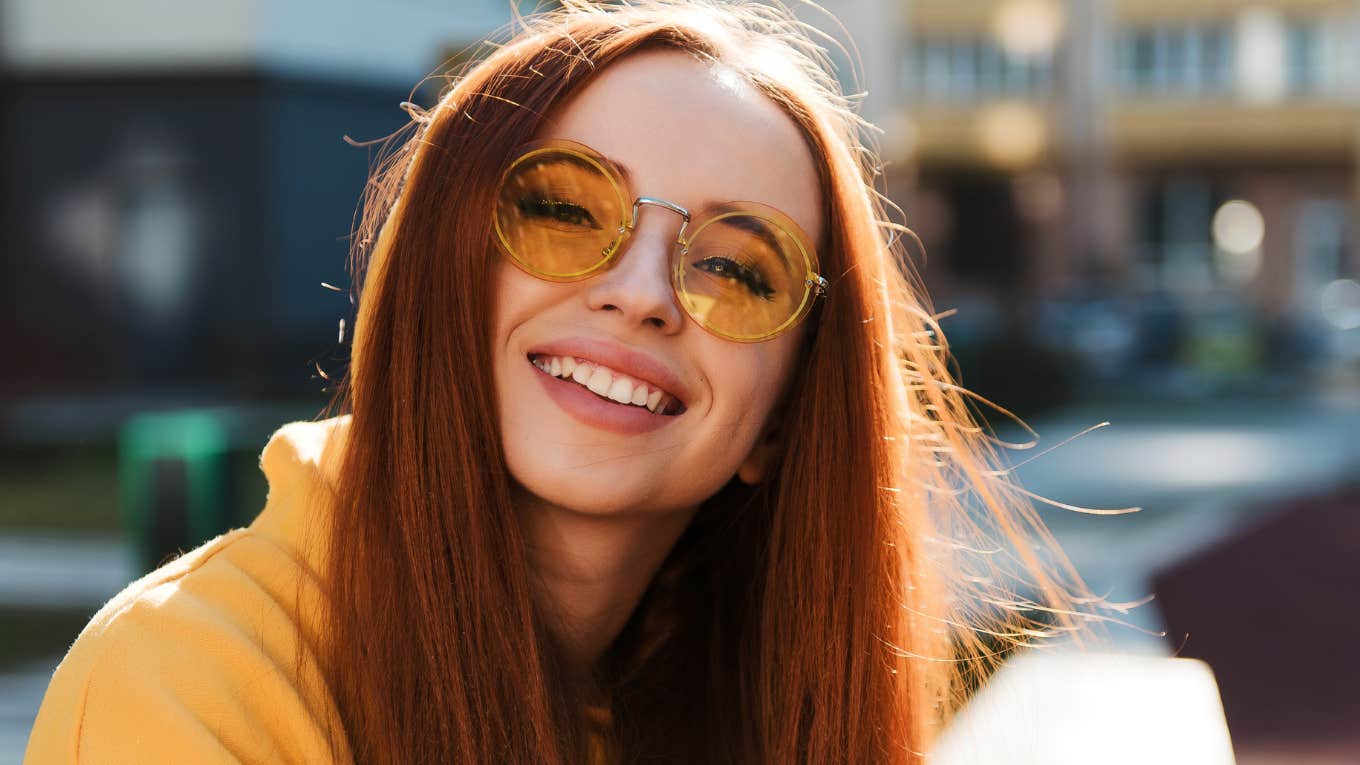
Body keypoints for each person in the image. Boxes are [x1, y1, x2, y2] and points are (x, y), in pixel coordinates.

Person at [25, 1, 1102, 762]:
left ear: (783, 417)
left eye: (736, 269)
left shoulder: (764, 712)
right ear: (443, 272)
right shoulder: (184, 681)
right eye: (564, 210)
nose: (641, 294)